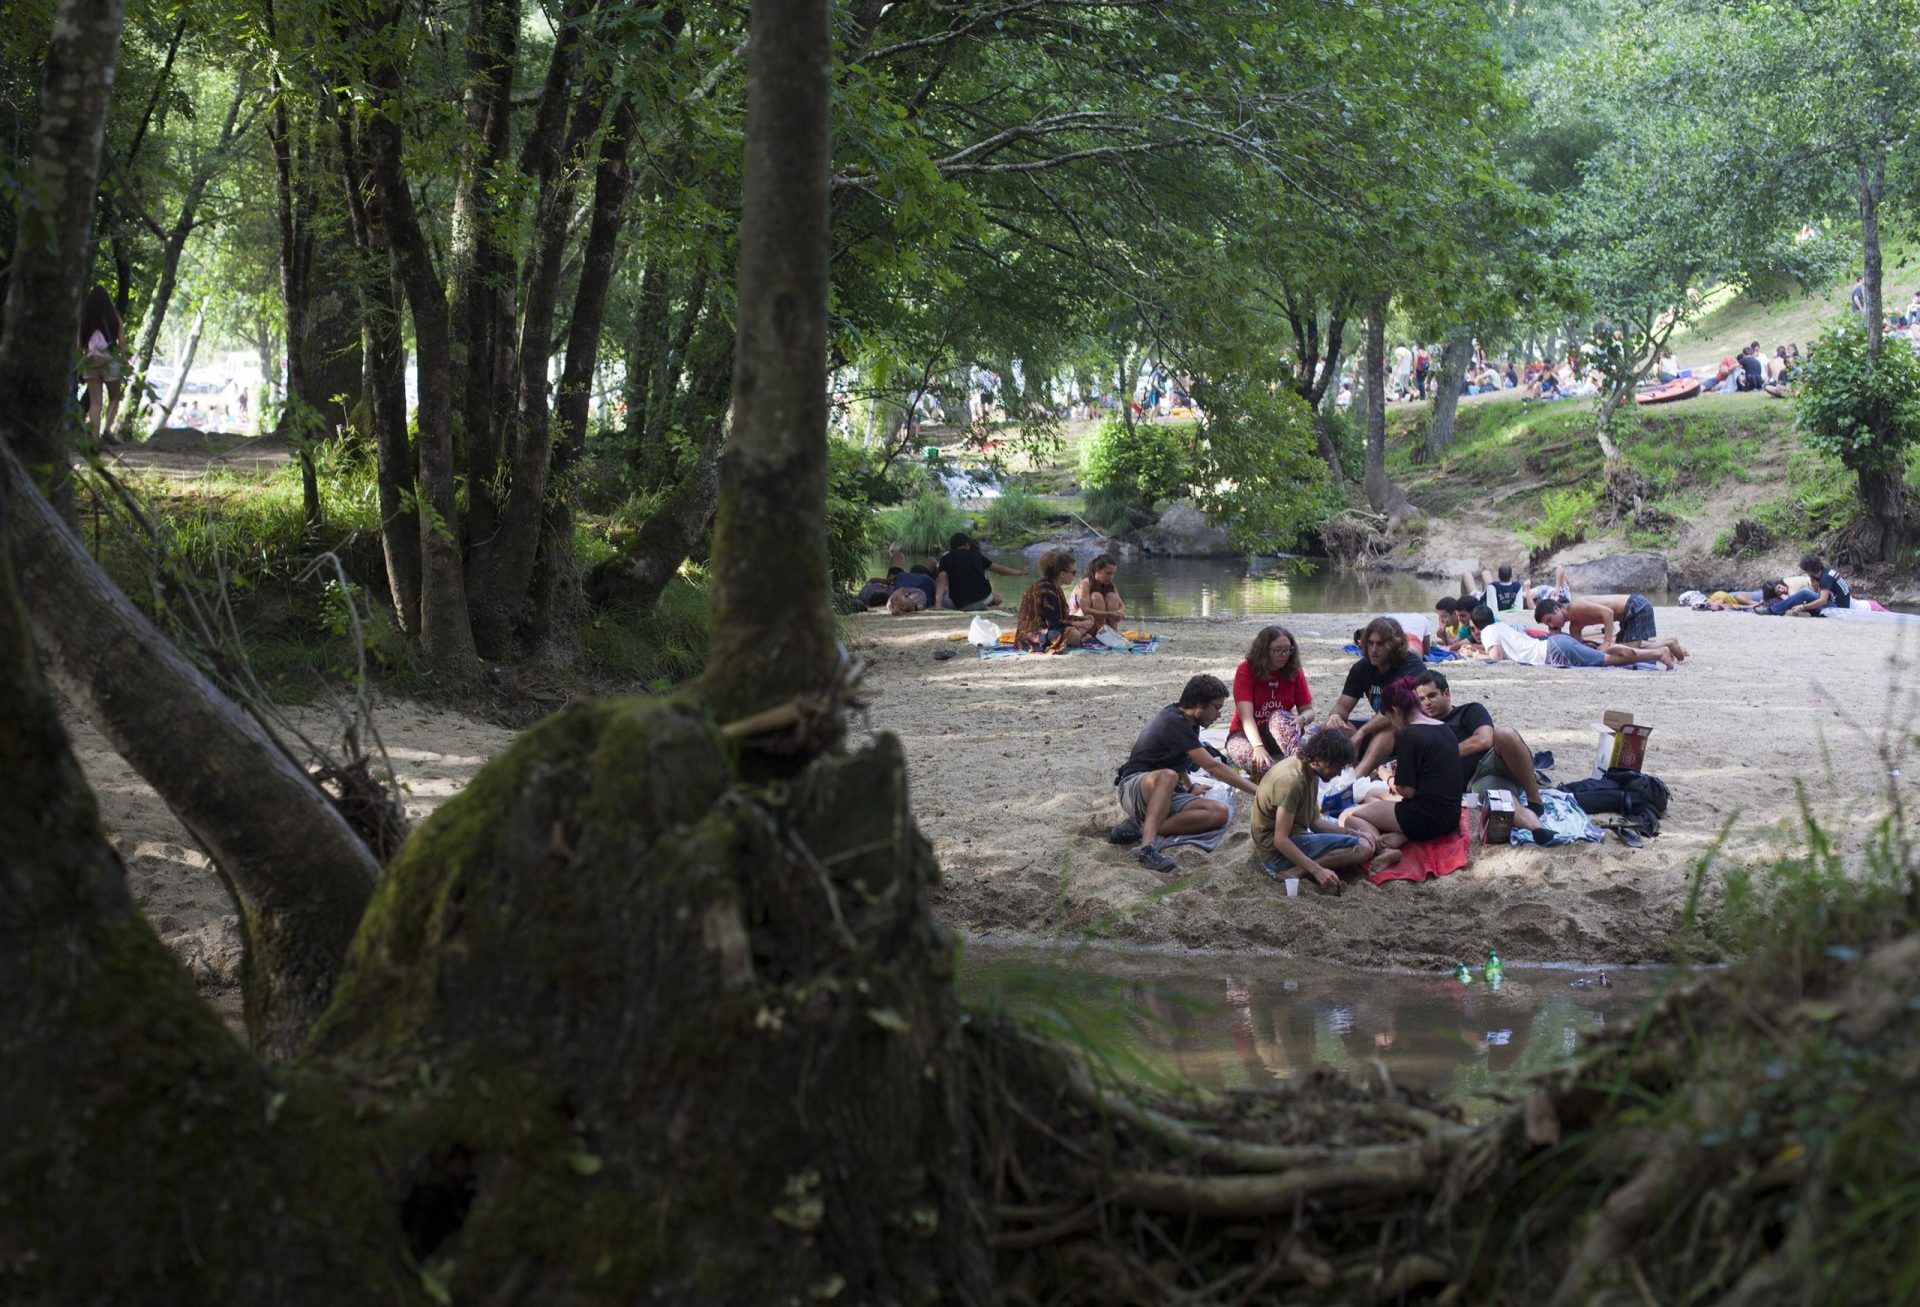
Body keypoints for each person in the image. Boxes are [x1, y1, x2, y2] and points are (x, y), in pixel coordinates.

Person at [1111, 675, 1259, 873]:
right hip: (1134, 786)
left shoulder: (1191, 723)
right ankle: (1146, 847)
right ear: (1199, 704)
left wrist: (1190, 786)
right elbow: (1213, 767)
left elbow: (1178, 761)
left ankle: (1137, 829)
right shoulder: (1173, 721)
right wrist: (1258, 791)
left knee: (1220, 813)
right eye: (1216, 707)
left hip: (1164, 791)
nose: (1219, 714)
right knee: (1168, 776)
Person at [1413, 672, 1565, 843]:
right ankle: (1537, 828)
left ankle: (1534, 799)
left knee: (1504, 733)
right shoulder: (1423, 730)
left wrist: (1441, 755)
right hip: (1476, 781)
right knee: (1501, 802)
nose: (1427, 702)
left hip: (1497, 758)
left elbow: (1485, 740)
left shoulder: (1469, 710)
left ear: (1446, 694)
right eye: (1422, 699)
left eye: (1432, 695)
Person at [1339, 676, 1465, 852]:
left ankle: (1384, 850)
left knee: (1349, 816)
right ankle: (1401, 835)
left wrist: (1387, 777)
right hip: (1450, 815)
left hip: (1424, 817)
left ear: (1395, 711)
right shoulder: (1443, 727)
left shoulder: (1408, 734)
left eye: (1390, 718)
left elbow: (1407, 791)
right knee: (1372, 794)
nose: (1392, 723)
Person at [1252, 731, 1381, 892]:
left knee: (1360, 840)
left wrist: (1353, 833)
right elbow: (1280, 840)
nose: (1339, 773)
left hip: (1290, 839)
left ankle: (1300, 869)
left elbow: (1316, 822)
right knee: (1363, 848)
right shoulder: (1291, 782)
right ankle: (1295, 872)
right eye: (1337, 766)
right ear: (1319, 760)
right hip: (1275, 855)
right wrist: (1317, 870)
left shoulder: (1308, 771)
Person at [1324, 616, 1426, 778]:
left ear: (1394, 646)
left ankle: (1356, 776)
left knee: (1388, 726)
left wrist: (1362, 731)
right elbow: (1343, 706)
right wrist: (1335, 717)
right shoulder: (1362, 668)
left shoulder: (1411, 666)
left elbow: (1396, 710)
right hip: (1377, 728)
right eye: (1370, 643)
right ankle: (1331, 774)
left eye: (1380, 644)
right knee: (1330, 728)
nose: (1373, 649)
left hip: (1411, 730)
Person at [1225, 625, 1314, 777]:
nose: (1283, 655)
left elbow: (1309, 711)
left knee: (1278, 717)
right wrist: (1258, 746)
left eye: (1287, 650)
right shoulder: (1246, 669)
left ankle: (1300, 764)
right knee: (1256, 764)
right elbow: (1246, 716)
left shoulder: (1294, 671)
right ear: (1264, 651)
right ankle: (1279, 776)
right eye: (1277, 650)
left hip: (1278, 732)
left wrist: (1302, 719)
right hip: (1245, 734)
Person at [1473, 604, 1674, 669]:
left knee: (1607, 660)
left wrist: (1474, 656)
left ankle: (1658, 654)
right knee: (1603, 659)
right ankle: (1655, 652)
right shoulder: (1500, 626)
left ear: (1477, 625)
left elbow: (1496, 658)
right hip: (1557, 643)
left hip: (1553, 650)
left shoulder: (1488, 631)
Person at [1542, 592, 1686, 661]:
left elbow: (1608, 613)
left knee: (1630, 651)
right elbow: (1578, 648)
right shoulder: (1574, 627)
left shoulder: (1575, 606)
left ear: (1557, 609)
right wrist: (1555, 633)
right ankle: (1669, 645)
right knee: (1623, 647)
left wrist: (1606, 642)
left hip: (1635, 606)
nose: (1551, 624)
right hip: (1627, 615)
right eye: (1547, 624)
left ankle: (1668, 645)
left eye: (1549, 620)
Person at [1014, 550, 1095, 651]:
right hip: (1033, 636)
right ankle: (1076, 639)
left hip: (1046, 631)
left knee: (1083, 627)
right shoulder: (1048, 590)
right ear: (1062, 574)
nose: (1075, 575)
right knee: (1073, 633)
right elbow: (1054, 623)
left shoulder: (1055, 588)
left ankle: (1078, 638)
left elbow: (1061, 617)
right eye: (1073, 572)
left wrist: (1082, 619)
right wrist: (1081, 623)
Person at [77, 286, 125, 445]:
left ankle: (94, 438)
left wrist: (79, 364)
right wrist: (125, 361)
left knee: (95, 401)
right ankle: (107, 430)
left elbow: (78, 344)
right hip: (109, 360)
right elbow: (122, 342)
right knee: (115, 396)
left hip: (90, 361)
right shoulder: (114, 316)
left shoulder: (84, 318)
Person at [935, 533, 1026, 610]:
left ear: (952, 548)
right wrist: (1019, 572)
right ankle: (985, 608)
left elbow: (941, 582)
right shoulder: (976, 555)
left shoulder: (945, 559)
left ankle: (982, 608)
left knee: (945, 601)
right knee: (998, 598)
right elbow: (1000, 570)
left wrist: (937, 606)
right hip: (983, 600)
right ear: (967, 545)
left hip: (961, 605)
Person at [1762, 553, 1852, 616]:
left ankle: (1772, 610)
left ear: (1809, 570)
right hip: (1839, 605)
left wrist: (1802, 606)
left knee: (1804, 592)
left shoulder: (1825, 578)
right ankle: (1782, 608)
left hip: (1838, 610)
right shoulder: (1827, 572)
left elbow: (1823, 600)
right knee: (1805, 592)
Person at [1070, 553, 1126, 629]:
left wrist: (1119, 612)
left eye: (1113, 574)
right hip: (1080, 619)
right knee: (1096, 596)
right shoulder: (1084, 584)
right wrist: (1110, 614)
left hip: (1097, 618)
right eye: (1108, 573)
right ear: (1097, 569)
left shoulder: (1109, 584)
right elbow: (1085, 610)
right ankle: (1102, 630)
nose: (1111, 577)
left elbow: (1121, 605)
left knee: (1112, 596)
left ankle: (1113, 630)